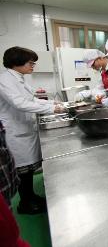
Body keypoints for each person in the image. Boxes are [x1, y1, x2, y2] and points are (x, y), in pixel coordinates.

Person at [0, 47, 65, 214]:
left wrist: (52, 104)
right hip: (14, 131)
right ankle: (26, 204)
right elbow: (19, 104)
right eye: (30, 62)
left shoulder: (19, 78)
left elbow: (32, 99)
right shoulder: (5, 80)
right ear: (16, 63)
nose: (33, 65)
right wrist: (52, 110)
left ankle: (31, 197)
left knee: (28, 169)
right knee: (22, 170)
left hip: (25, 129)